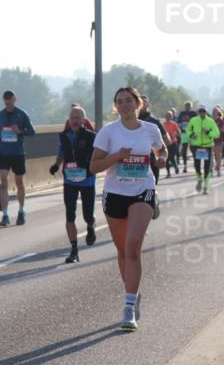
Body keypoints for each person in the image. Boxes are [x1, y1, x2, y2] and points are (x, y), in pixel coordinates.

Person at [89, 87, 166, 331]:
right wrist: (116, 157)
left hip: (143, 190)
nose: (124, 105)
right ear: (115, 106)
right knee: (122, 250)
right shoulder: (108, 132)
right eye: (119, 102)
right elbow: (93, 167)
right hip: (115, 194)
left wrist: (161, 156)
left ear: (138, 103)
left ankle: (128, 307)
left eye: (128, 101)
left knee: (133, 246)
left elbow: (160, 148)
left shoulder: (150, 129)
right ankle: (133, 293)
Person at [49, 106, 97, 263]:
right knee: (70, 214)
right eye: (72, 118)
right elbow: (61, 152)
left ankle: (90, 226)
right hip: (69, 179)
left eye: (78, 118)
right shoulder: (64, 136)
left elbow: (98, 155)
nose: (75, 121)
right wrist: (56, 165)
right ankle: (74, 250)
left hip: (87, 180)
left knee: (87, 215)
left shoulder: (91, 137)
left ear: (83, 120)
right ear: (69, 120)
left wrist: (91, 164)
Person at [0, 90, 36, 226]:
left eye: (10, 99)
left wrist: (20, 131)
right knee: (4, 181)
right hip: (3, 152)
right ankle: (5, 215)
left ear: (14, 99)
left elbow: (32, 132)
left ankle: (21, 211)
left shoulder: (22, 114)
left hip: (18, 153)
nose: (8, 102)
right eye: (5, 100)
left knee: (19, 182)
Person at [185, 104, 221, 195]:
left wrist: (208, 132)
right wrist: (191, 135)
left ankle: (205, 186)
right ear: (198, 112)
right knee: (196, 164)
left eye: (203, 111)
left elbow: (217, 133)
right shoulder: (193, 120)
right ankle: (199, 179)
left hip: (207, 146)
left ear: (206, 112)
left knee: (207, 166)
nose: (202, 113)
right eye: (200, 111)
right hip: (196, 146)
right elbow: (187, 130)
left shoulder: (210, 121)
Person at [176, 102, 198, 173]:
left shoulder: (193, 113)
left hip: (191, 133)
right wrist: (180, 128)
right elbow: (178, 122)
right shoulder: (182, 113)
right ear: (184, 106)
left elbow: (197, 122)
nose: (187, 107)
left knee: (193, 149)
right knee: (184, 149)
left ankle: (196, 164)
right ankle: (185, 166)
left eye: (188, 106)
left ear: (190, 106)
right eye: (186, 106)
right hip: (184, 134)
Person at [162, 111, 181, 176]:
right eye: (167, 115)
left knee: (171, 157)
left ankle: (176, 167)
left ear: (172, 117)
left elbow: (179, 133)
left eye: (169, 116)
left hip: (173, 143)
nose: (168, 117)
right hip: (166, 143)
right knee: (166, 158)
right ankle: (168, 173)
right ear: (165, 116)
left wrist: (174, 134)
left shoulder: (174, 124)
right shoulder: (163, 124)